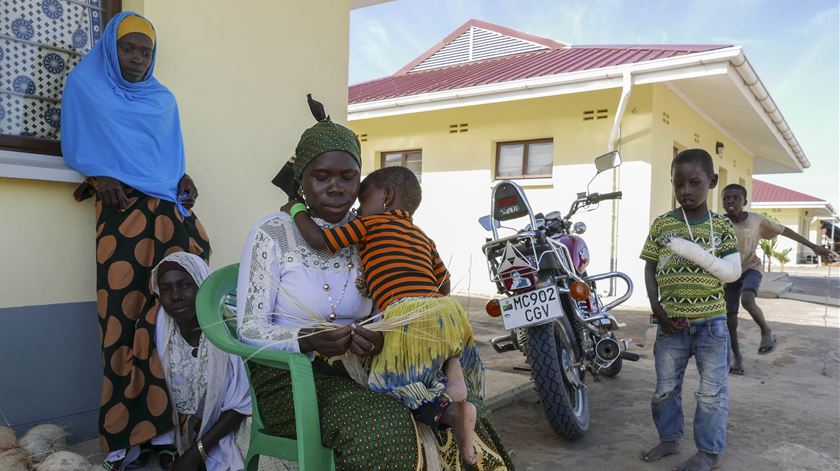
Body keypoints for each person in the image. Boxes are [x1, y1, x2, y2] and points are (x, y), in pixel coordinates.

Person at [236, 95, 514, 470]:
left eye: (348, 177)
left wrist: (378, 337)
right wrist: (308, 339)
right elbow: (248, 328)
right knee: (384, 427)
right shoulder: (274, 234)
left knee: (469, 412)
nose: (336, 187)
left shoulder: (368, 232)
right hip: (292, 378)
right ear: (301, 181)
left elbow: (399, 299)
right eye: (321, 177)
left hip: (366, 370)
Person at [60, 12, 211, 469]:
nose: (137, 59)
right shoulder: (87, 87)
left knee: (166, 318)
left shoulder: (162, 99)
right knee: (119, 321)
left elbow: (169, 158)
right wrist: (99, 173)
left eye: (145, 51)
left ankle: (163, 430)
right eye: (128, 49)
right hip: (121, 215)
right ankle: (121, 433)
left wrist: (183, 178)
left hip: (167, 217)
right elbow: (79, 142)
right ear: (112, 48)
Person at [286, 165, 483, 464]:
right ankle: (455, 380)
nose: (358, 209)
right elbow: (444, 283)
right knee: (441, 344)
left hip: (403, 315)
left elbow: (320, 241)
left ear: (386, 197)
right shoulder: (423, 236)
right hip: (445, 310)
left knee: (388, 385)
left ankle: (450, 412)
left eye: (363, 202)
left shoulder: (370, 225)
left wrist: (296, 208)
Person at [640, 149, 741, 471]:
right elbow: (650, 267)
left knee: (711, 393)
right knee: (664, 390)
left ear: (711, 182)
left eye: (695, 183)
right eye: (678, 183)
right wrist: (657, 309)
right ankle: (670, 439)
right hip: (671, 324)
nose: (686, 190)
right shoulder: (663, 224)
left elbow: (730, 270)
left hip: (711, 323)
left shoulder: (722, 226)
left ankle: (708, 453)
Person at [721, 184, 836, 374]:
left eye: (735, 198)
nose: (730, 201)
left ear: (745, 202)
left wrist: (813, 246)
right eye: (726, 198)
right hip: (729, 274)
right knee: (729, 320)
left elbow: (784, 230)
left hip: (751, 268)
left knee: (748, 300)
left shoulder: (756, 220)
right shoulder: (718, 222)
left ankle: (766, 330)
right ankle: (737, 357)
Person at [151, 253, 251, 471]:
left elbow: (243, 402)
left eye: (185, 285)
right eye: (166, 289)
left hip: (239, 422)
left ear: (203, 285)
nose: (176, 296)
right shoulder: (161, 333)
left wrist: (196, 453)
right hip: (197, 430)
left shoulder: (228, 326)